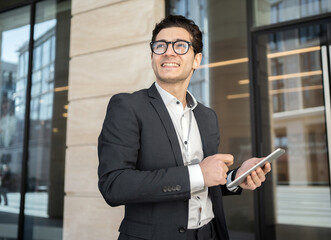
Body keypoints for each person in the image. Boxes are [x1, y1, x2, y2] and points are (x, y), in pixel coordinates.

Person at [98, 15, 271, 240]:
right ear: (152, 56)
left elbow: (205, 183)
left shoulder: (207, 117)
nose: (169, 52)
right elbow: (114, 185)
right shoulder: (128, 107)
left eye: (180, 46)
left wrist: (235, 178)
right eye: (161, 46)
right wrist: (198, 173)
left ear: (196, 60)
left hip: (210, 233)